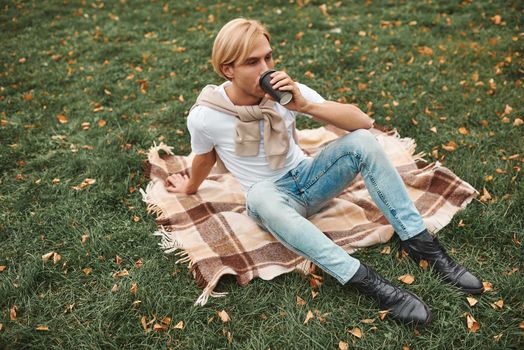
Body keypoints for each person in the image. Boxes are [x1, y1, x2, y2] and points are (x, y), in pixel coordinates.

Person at [165, 18, 484, 325]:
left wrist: (304, 106)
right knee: (260, 196)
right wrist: (190, 187)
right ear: (227, 69)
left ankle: (424, 247)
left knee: (361, 142)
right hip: (273, 199)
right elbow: (204, 158)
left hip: (310, 179)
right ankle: (369, 282)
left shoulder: (285, 94)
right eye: (253, 62)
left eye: (269, 56)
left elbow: (362, 123)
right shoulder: (206, 116)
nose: (267, 68)